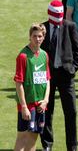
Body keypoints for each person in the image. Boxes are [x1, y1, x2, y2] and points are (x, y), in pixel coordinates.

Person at [40, 0, 78, 151]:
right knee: (47, 110)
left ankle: (72, 147)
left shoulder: (70, 26)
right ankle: (47, 145)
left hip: (66, 76)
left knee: (71, 112)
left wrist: (73, 69)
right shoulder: (42, 28)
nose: (58, 21)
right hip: (48, 77)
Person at [14, 23, 50, 151]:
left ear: (43, 37)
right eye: (34, 36)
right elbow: (19, 83)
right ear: (30, 37)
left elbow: (47, 80)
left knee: (34, 135)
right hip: (27, 104)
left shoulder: (44, 55)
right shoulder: (23, 56)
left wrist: (46, 100)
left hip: (40, 104)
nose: (37, 39)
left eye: (40, 36)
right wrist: (24, 107)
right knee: (23, 137)